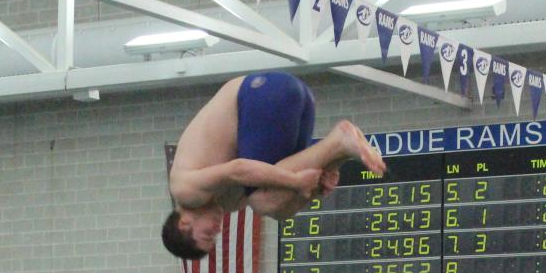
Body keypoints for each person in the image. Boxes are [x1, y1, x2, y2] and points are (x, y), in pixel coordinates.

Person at [162, 72, 386, 258]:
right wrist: (316, 186)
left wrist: (297, 182)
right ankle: (337, 155)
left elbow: (238, 169)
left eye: (207, 235)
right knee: (278, 207)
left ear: (184, 224)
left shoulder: (185, 190)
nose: (217, 231)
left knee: (263, 201)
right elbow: (281, 188)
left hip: (259, 94)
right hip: (290, 93)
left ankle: (339, 143)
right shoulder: (227, 202)